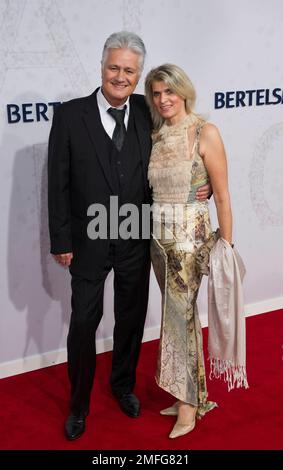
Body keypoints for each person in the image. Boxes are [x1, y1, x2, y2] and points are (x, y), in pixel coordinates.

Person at [48, 32, 211, 441]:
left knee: (131, 318)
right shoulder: (70, 115)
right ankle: (79, 405)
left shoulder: (146, 109)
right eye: (114, 67)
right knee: (84, 322)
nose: (121, 76)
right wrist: (61, 240)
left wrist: (199, 184)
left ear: (139, 76)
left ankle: (122, 386)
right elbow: (58, 184)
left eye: (129, 71)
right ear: (102, 66)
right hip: (87, 239)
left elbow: (184, 144)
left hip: (137, 235)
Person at [145, 64, 233, 439]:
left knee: (181, 319)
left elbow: (223, 194)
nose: (163, 99)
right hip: (158, 243)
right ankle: (191, 390)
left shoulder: (204, 131)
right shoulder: (157, 134)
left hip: (189, 241)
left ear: (184, 92)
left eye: (170, 91)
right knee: (177, 319)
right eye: (156, 93)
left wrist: (226, 247)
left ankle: (189, 405)